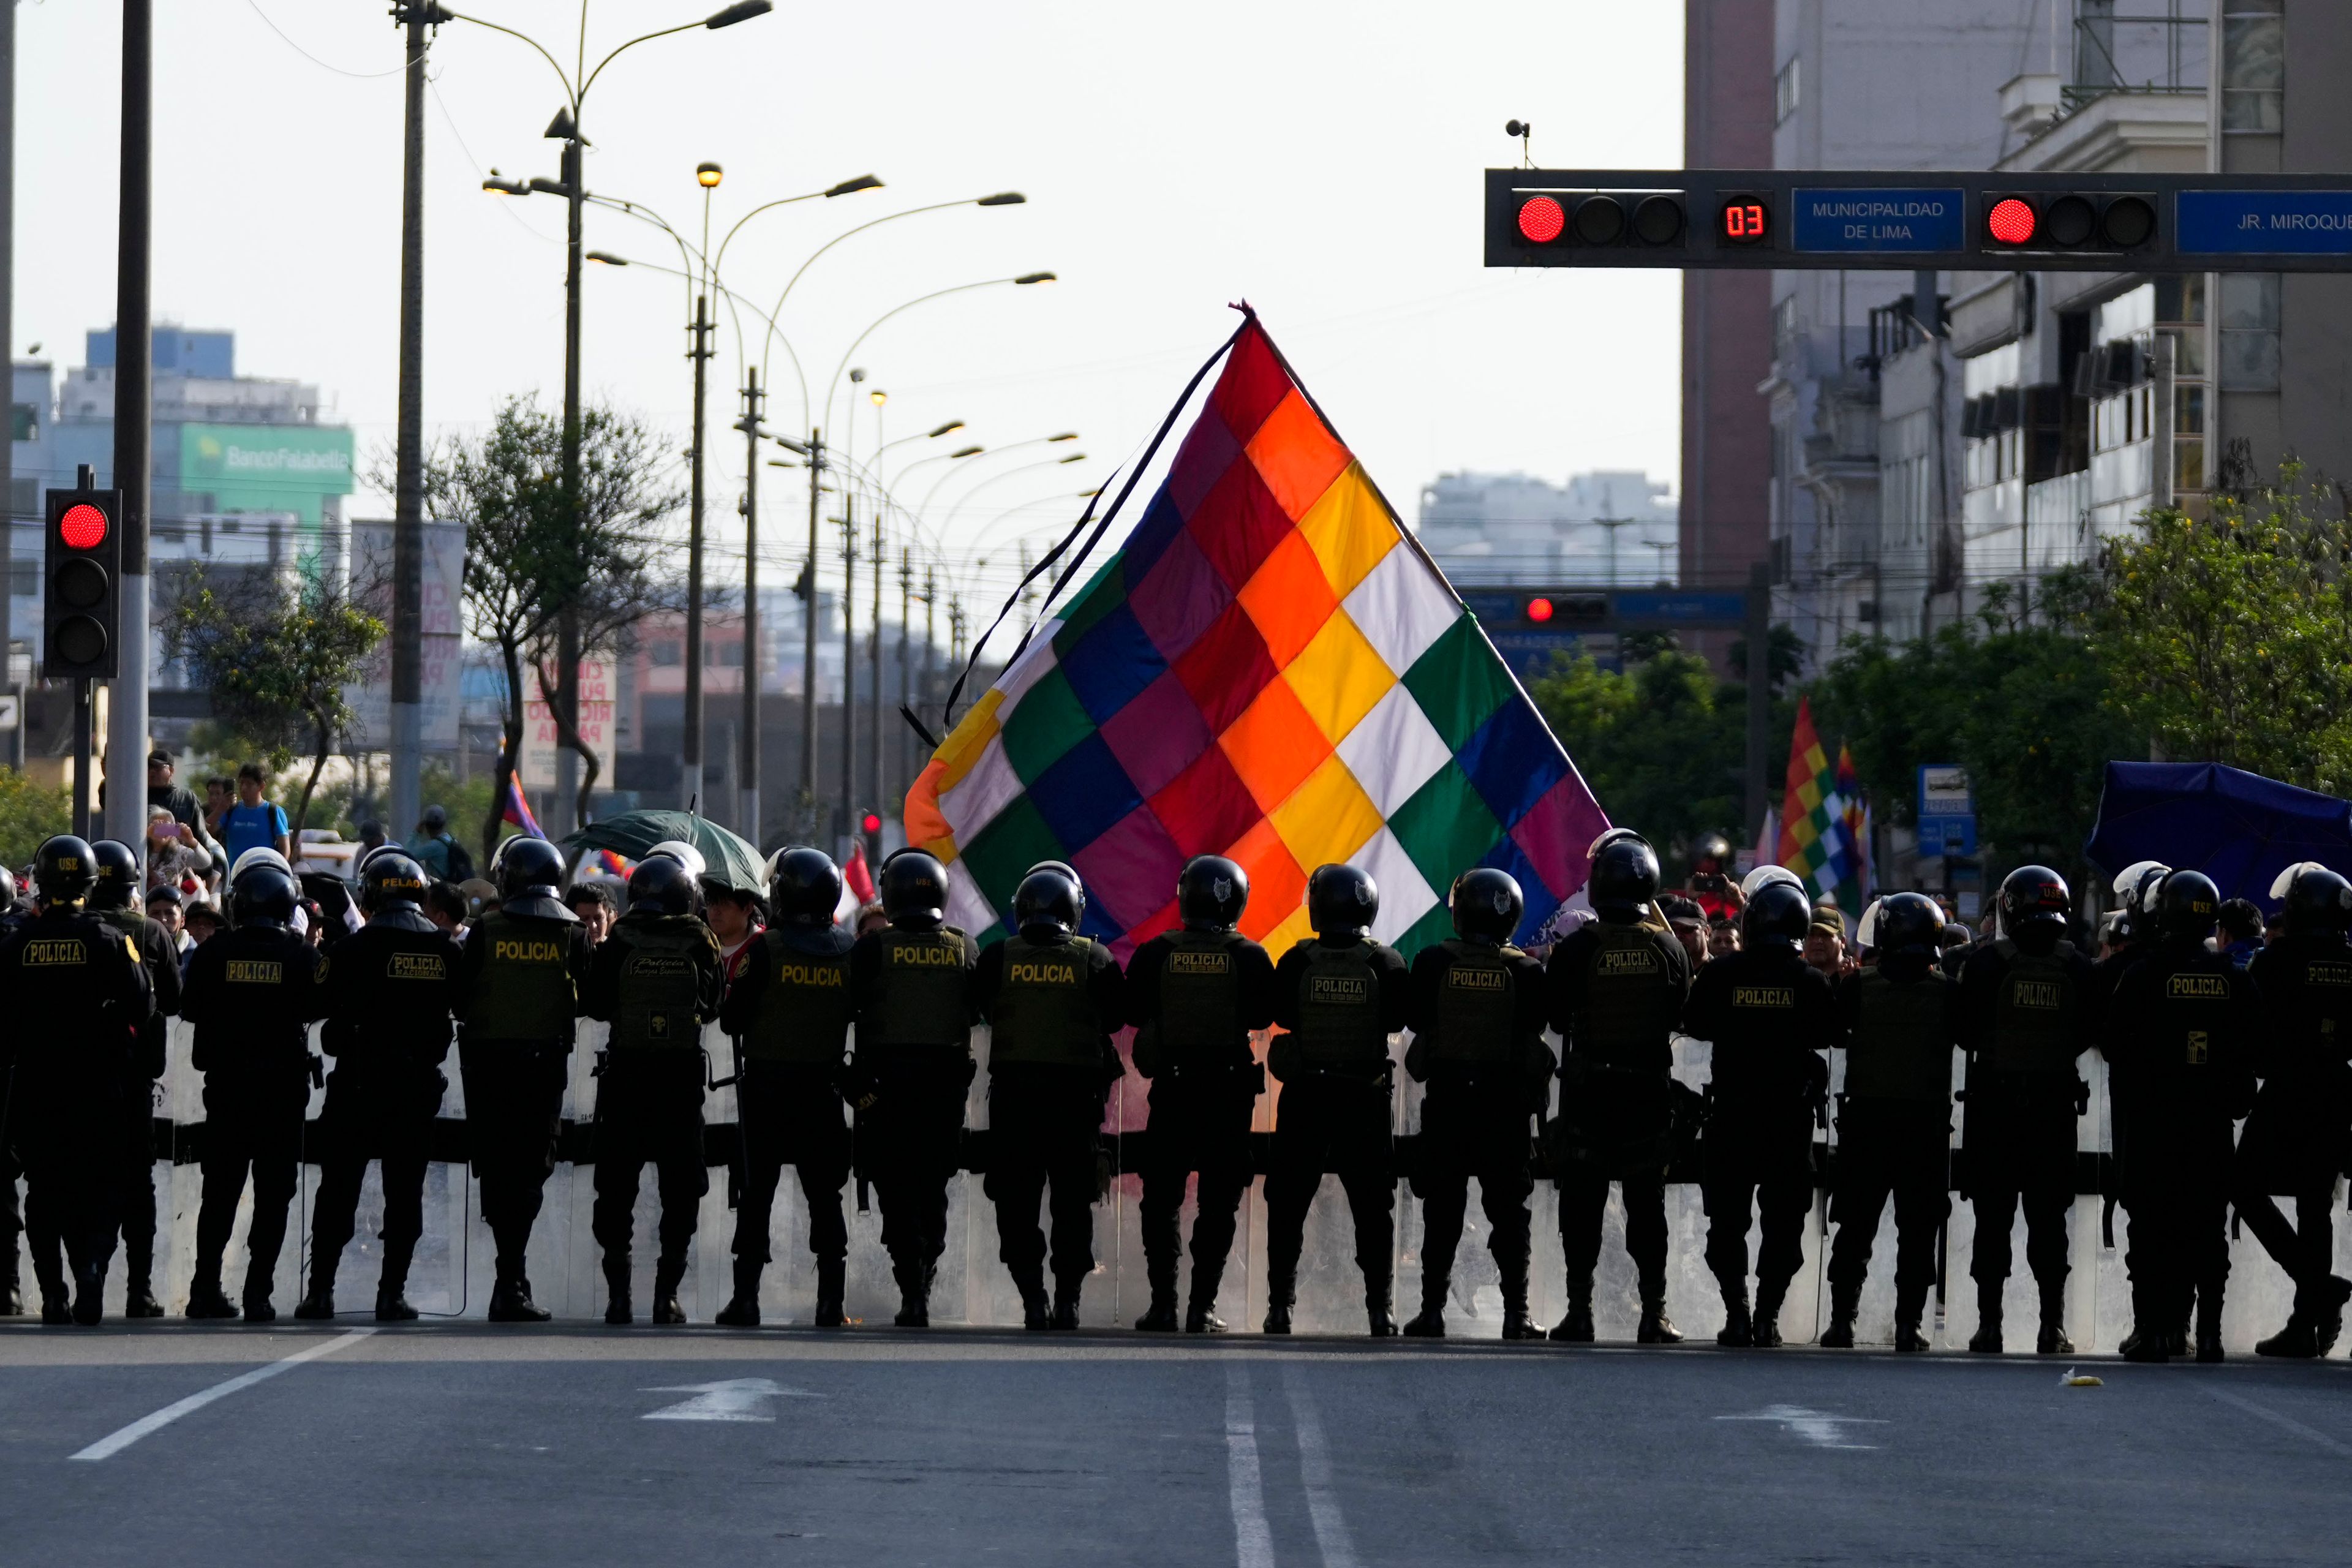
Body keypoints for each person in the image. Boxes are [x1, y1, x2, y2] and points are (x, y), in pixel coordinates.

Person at [295, 853, 461, 1321]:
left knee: (338, 1193)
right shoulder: (447, 950)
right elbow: (467, 1007)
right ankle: (392, 1294)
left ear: (369, 895)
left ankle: (320, 1292)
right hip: (415, 1095)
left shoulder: (348, 951)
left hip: (357, 1090)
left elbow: (313, 1003)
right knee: (405, 1196)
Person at [2104, 870, 2258, 1363]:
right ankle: (2205, 1333)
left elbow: (2114, 1046)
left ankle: (2153, 1330)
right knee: (2207, 1230)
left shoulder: (2143, 975)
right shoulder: (2235, 979)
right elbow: (2259, 1047)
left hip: (2153, 1124)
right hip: (2211, 1125)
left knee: (2150, 1228)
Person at [1545, 837, 1694, 1344]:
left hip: (1591, 1095)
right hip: (1647, 1097)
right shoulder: (1669, 947)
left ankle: (1579, 1313)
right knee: (1647, 1211)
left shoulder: (1577, 948)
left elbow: (1555, 1016)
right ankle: (1655, 1314)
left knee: (1582, 1209)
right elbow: (1682, 1015)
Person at [0, 837, 152, 1324]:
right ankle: (90, 1273)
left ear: (40, 883)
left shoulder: (17, 943)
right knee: (102, 1188)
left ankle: (53, 1294)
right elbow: (144, 1003)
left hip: (36, 1088)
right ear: (91, 883)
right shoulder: (110, 939)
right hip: (99, 1087)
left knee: (45, 1192)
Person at [1681, 880, 1836, 1347]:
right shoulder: (1810, 981)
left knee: (1727, 1223)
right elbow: (1830, 1033)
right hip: (1787, 1123)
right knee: (1784, 1225)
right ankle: (1767, 1317)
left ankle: (1738, 1314)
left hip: (1732, 1118)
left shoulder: (1722, 975)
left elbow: (1695, 1024)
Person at [1125, 856, 1275, 1335]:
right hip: (1228, 1097)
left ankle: (1163, 1306)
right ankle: (1201, 1309)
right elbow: (1260, 1017)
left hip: (1172, 1091)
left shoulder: (1155, 953)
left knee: (1161, 1201)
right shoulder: (1250, 956)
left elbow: (1134, 1011)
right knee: (1218, 1205)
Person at [1399, 867, 1550, 1341]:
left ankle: (1431, 1313)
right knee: (1510, 1216)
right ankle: (1517, 1315)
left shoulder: (1430, 963)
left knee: (1441, 1215)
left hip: (1448, 1109)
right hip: (1504, 1112)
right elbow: (1536, 1030)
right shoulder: (1526, 970)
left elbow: (1415, 1020)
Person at [974, 867, 1126, 1329]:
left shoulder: (998, 956)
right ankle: (1068, 1301)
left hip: (1014, 1106)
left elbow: (980, 1009)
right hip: (1074, 1106)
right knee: (1072, 1204)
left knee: (1015, 1204)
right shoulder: (1095, 959)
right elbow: (1117, 1019)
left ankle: (1033, 1299)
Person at [1264, 862, 1411, 1336]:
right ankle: (1380, 1311)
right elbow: (1394, 1022)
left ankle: (1279, 1308)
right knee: (1373, 1209)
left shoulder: (1295, 961)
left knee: (1288, 1204)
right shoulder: (1386, 962)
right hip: (1362, 1101)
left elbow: (1281, 1013)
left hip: (1307, 1097)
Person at [712, 848, 856, 1328]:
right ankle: (831, 1303)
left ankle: (746, 1300)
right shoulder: (848, 950)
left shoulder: (764, 950)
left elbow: (731, 1021)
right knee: (825, 1197)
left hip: (767, 1093)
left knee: (756, 1196)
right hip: (823, 1091)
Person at [1955, 865, 2096, 1354]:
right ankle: (2050, 1327)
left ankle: (1989, 1326)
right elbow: (2087, 1035)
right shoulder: (2079, 967)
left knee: (1993, 1221)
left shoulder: (1985, 965)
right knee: (2049, 1224)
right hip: (2052, 1112)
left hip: (1995, 1109)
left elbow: (1964, 1033)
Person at [180, 862, 328, 1321]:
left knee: (219, 1195)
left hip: (226, 1094)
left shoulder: (211, 954)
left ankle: (204, 1289)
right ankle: (257, 1294)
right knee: (273, 1197)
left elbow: (189, 1009)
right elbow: (320, 1007)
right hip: (282, 1099)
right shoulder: (303, 957)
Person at [453, 835, 590, 1321]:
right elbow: (591, 998)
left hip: (490, 1072)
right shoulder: (575, 934)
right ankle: (511, 1281)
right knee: (530, 1175)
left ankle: (510, 1279)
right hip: (544, 1071)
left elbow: (459, 996)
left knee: (499, 1172)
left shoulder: (486, 930)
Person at [583, 854, 723, 1324]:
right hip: (680, 1085)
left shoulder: (618, 941)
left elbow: (597, 1005)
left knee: (616, 1191)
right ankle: (667, 1297)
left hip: (626, 1079)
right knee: (681, 1192)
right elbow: (716, 1003)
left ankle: (618, 1298)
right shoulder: (701, 941)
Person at [1820, 892, 1957, 1353]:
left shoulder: (1860, 987)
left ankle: (1842, 1323)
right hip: (1926, 1127)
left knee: (1855, 1230)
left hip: (1868, 1126)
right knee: (1918, 1234)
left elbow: (1833, 1033)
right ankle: (1908, 1326)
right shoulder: (1948, 992)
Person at [848, 850, 979, 1327]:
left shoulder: (871, 949)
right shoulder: (965, 948)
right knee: (932, 1190)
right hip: (943, 1095)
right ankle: (923, 1277)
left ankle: (913, 1287)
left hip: (885, 1095)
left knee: (898, 1195)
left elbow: (842, 1008)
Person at [2236, 864, 2352, 1356]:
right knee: (2315, 1204)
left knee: (2242, 1185)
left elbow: (2253, 1037)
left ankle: (2317, 1291)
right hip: (2337, 1092)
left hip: (2286, 1091)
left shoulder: (2274, 961)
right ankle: (2307, 1319)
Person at [87, 840, 183, 1318]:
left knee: (82, 1181)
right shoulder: (150, 933)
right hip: (132, 1082)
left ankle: (85, 1277)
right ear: (131, 890)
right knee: (135, 1185)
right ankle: (138, 1290)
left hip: (67, 1082)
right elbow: (175, 998)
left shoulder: (63, 933)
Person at [218, 763, 292, 866]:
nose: (243, 788)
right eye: (242, 783)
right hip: (235, 875)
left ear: (261, 786)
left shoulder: (273, 812)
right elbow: (209, 831)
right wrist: (220, 808)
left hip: (263, 873)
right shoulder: (231, 810)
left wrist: (278, 868)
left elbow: (285, 847)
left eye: (249, 784)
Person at [407, 804, 475, 883]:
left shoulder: (434, 846)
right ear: (444, 824)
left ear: (426, 826)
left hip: (440, 889)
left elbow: (408, 855)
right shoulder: (451, 840)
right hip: (454, 887)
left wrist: (416, 833)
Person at [1686, 832, 1743, 922]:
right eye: (1708, 859)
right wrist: (1691, 899)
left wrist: (1737, 899)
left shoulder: (1733, 897)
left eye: (1716, 860)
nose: (1711, 864)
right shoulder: (1684, 899)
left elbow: (1750, 919)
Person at [1662, 895, 1711, 970]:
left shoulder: (1720, 971)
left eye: (1687, 929)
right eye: (1672, 930)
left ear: (1706, 932)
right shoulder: (1664, 971)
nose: (1678, 936)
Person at [2216, 899, 2264, 969]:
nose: (2216, 937)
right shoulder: (2280, 965)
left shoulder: (2220, 971)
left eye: (2217, 932)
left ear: (2224, 935)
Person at [567, 880, 617, 946]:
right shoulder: (562, 951)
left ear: (606, 917)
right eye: (584, 919)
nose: (593, 926)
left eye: (598, 918)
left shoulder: (617, 953)